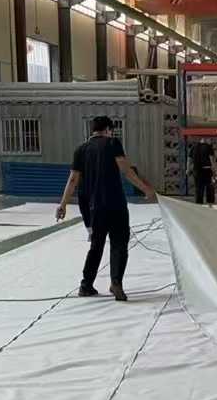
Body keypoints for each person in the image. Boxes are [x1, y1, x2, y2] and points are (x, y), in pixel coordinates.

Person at [57, 115, 157, 300]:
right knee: (119, 243)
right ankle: (116, 283)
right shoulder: (113, 143)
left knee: (96, 245)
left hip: (95, 206)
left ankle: (86, 285)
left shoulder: (81, 150)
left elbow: (73, 180)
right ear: (108, 130)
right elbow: (126, 170)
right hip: (115, 203)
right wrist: (146, 189)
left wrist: (63, 204)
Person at [191, 139, 216, 205]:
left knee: (198, 188)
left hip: (196, 170)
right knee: (209, 188)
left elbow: (189, 159)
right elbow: (211, 160)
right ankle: (210, 204)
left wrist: (188, 169)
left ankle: (199, 204)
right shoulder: (208, 147)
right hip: (206, 170)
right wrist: (215, 170)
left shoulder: (194, 147)